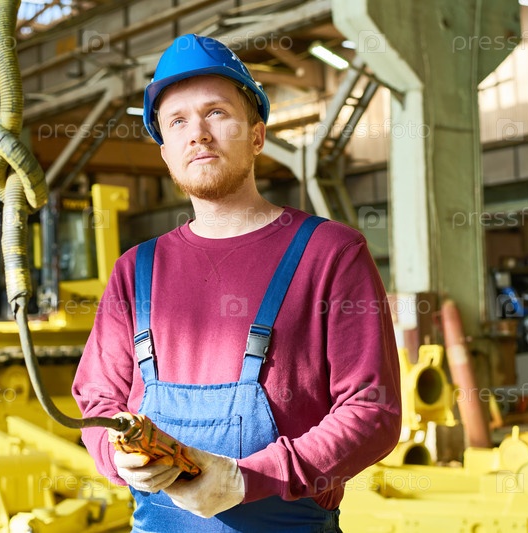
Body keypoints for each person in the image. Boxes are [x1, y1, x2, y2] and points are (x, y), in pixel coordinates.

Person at [72, 33, 401, 532]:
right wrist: (119, 457)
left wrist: (249, 479)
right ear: (165, 153)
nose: (198, 134)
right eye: (177, 121)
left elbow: (372, 411)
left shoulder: (331, 254)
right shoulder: (135, 270)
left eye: (217, 113)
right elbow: (97, 401)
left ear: (257, 135)